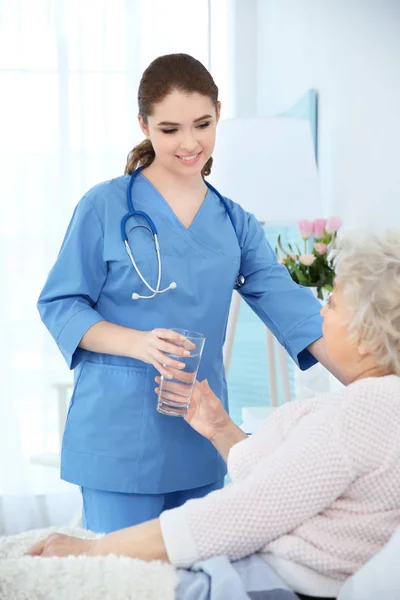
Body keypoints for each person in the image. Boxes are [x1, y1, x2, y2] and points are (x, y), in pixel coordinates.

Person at [37, 53, 337, 534]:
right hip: (116, 433)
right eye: (170, 129)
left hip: (200, 433)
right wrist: (139, 342)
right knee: (120, 580)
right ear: (144, 125)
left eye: (202, 124)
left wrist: (375, 379)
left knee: (195, 581)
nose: (190, 143)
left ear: (219, 113)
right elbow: (60, 304)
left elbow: (292, 307)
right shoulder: (104, 206)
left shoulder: (235, 222)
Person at [32, 230, 400, 600]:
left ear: (368, 337)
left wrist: (93, 551)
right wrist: (220, 428)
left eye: (333, 304)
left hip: (271, 580)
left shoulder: (363, 410)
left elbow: (242, 513)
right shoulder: (381, 406)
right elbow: (288, 484)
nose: (322, 310)